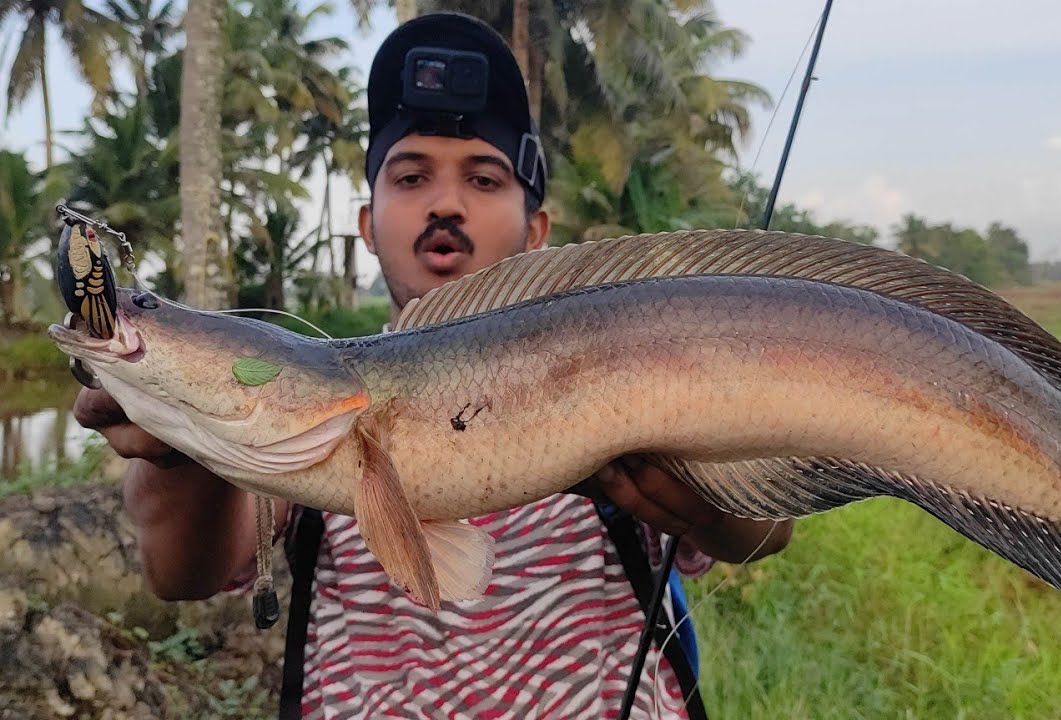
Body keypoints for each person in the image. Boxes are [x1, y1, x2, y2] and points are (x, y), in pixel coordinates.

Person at [72, 12, 793, 720]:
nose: (446, 202)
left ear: (535, 230)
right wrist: (181, 453)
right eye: (410, 176)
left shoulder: (621, 359)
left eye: (484, 180)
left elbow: (757, 538)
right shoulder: (301, 400)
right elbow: (178, 575)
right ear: (368, 223)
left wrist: (698, 495)